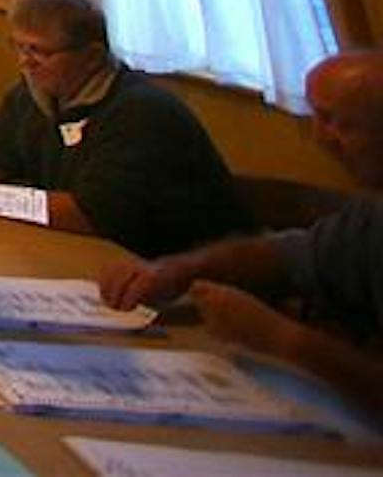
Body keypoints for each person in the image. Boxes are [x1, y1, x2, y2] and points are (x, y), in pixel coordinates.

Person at [100, 51, 383, 411]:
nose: (320, 138)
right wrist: (179, 270)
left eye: (335, 122)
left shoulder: (141, 109)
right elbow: (283, 256)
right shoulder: (371, 211)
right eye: (317, 118)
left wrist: (284, 340)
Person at [0, 0, 250, 258]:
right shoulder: (36, 94)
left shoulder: (139, 112)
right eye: (19, 48)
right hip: (87, 255)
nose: (26, 63)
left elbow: (91, 214)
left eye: (39, 52)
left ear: (91, 57)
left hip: (168, 268)